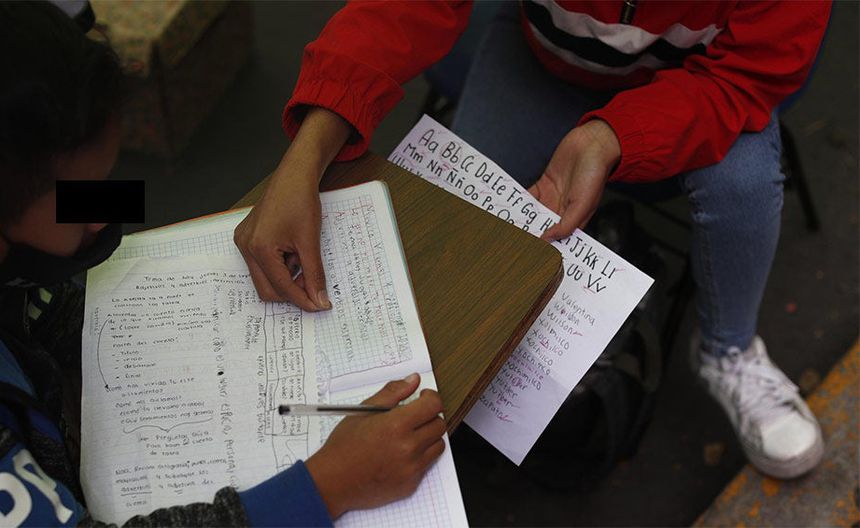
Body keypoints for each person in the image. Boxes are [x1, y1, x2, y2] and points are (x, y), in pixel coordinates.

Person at [235, 0, 831, 479]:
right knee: (455, 253)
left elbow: (749, 75)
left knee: (745, 187)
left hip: (701, 82)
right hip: (545, 63)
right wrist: (307, 154)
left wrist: (614, 135)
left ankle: (728, 350)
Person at [0, 2, 446, 526]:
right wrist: (326, 487)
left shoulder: (28, 234)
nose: (108, 212)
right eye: (81, 200)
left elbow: (44, 305)